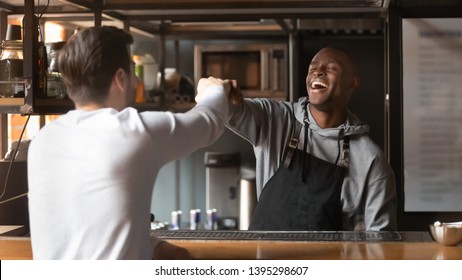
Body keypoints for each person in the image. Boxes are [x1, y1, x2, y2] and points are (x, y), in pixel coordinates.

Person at [27, 26, 231, 259]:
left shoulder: (42, 141)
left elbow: (85, 226)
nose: (136, 80)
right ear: (120, 78)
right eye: (133, 72)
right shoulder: (134, 132)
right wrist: (214, 89)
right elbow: (209, 122)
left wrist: (153, 245)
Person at [225, 47, 397, 231]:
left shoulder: (370, 161)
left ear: (352, 84)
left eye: (331, 68)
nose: (318, 71)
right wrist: (219, 89)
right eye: (312, 68)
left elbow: (380, 244)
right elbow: (222, 107)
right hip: (266, 258)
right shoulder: (274, 119)